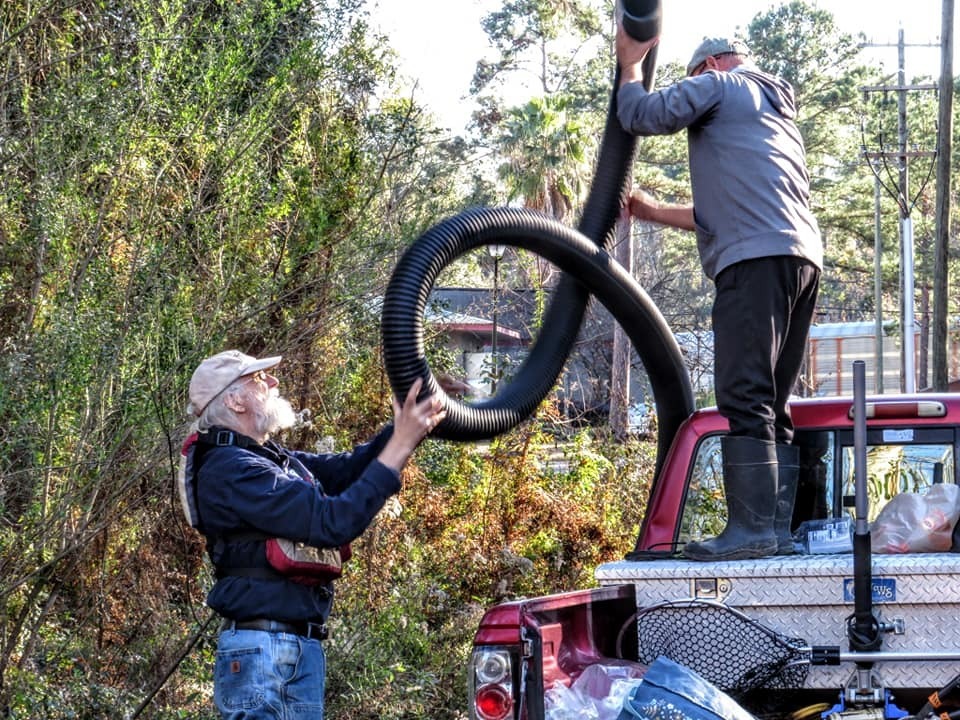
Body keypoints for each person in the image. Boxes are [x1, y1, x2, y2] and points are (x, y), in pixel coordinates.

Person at [615, 30, 823, 561]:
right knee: (770, 400)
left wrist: (630, 67)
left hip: (752, 263)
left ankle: (752, 532)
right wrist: (651, 210)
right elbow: (720, 214)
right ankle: (773, 532)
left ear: (706, 65)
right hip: (799, 259)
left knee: (742, 392)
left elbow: (641, 115)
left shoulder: (718, 85)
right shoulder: (774, 112)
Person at [184, 349, 445, 719]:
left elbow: (345, 471)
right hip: (264, 656)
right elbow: (331, 522)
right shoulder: (232, 471)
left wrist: (409, 422)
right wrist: (400, 443)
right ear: (234, 400)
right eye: (259, 380)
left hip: (288, 649)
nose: (273, 382)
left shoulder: (265, 459)